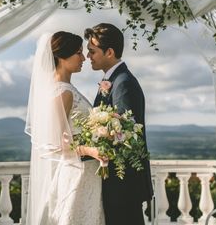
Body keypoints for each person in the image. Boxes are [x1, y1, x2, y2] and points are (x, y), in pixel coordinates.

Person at [25, 31, 106, 225]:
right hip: (79, 172)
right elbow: (53, 144)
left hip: (83, 170)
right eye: (78, 53)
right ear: (62, 57)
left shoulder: (64, 88)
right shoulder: (63, 93)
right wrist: (90, 150)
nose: (83, 58)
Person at [85, 23, 153, 225]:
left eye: (92, 51)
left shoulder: (122, 82)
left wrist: (86, 146)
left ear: (110, 52)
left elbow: (124, 134)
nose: (88, 56)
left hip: (123, 184)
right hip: (116, 182)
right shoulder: (113, 79)